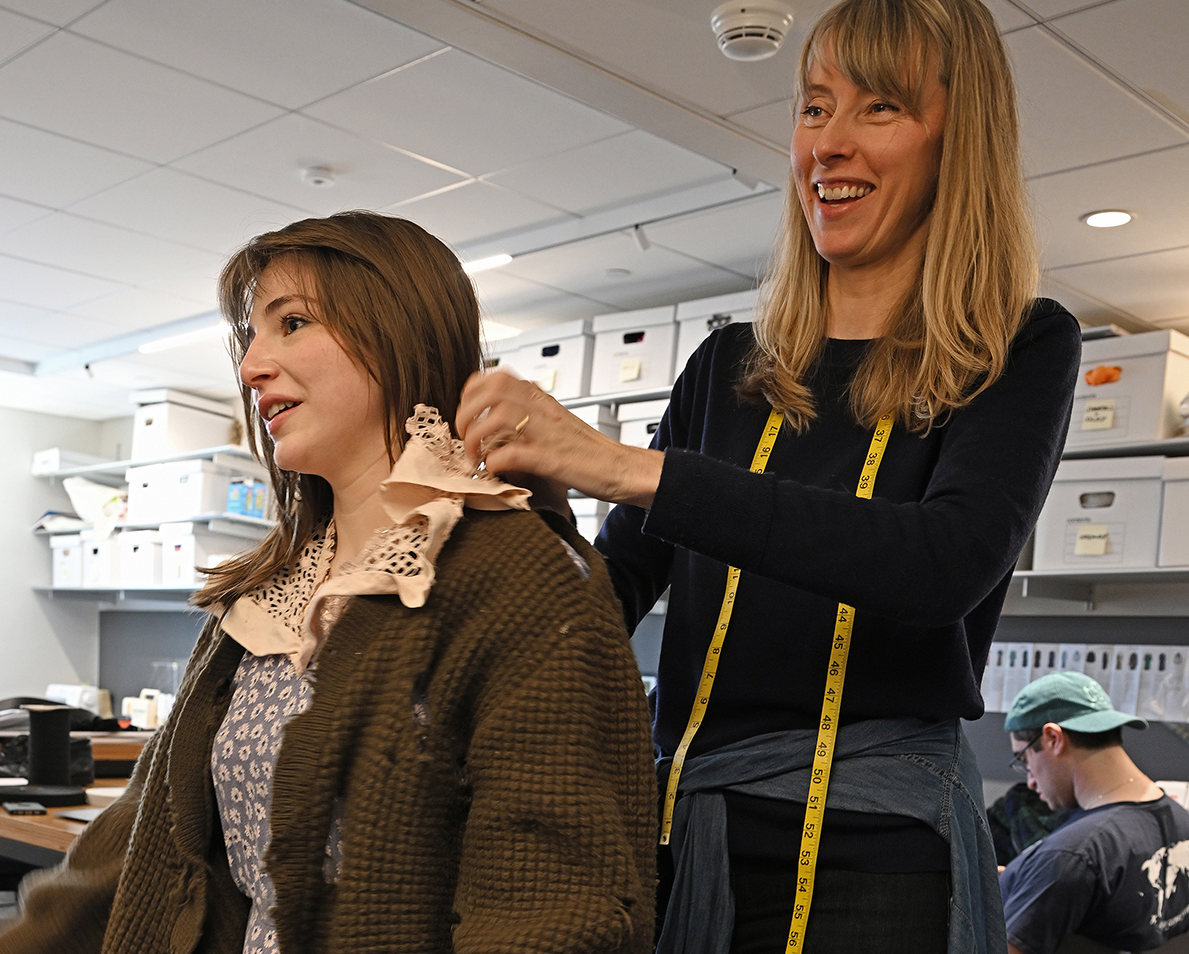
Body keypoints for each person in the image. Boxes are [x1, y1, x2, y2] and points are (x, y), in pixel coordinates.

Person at [456, 0, 1081, 950]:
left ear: (961, 137)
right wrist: (529, 502)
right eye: (814, 107)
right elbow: (606, 598)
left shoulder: (1018, 346)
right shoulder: (729, 365)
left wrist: (623, 467)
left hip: (874, 858)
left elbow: (942, 562)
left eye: (878, 109)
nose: (827, 144)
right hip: (682, 839)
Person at [0, 212, 657, 954]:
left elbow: (553, 916)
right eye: (251, 337)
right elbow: (150, 836)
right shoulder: (273, 593)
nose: (251, 367)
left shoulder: (517, 578)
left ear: (397, 329)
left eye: (293, 323)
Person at [1001, 672, 1189, 954]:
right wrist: (1020, 877)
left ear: (1053, 738)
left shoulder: (1073, 855)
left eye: (1024, 758)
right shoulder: (1179, 819)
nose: (1029, 780)